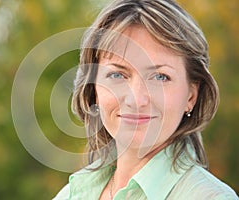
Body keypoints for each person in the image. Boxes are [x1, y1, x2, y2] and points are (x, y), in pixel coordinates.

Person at [53, 0, 238, 199]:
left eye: (160, 77)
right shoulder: (71, 194)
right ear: (94, 90)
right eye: (117, 75)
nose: (136, 99)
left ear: (191, 96)